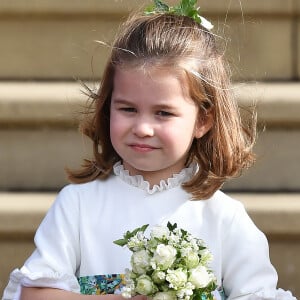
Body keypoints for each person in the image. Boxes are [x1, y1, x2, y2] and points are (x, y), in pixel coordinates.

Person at [2, 1, 297, 299]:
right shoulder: (78, 205)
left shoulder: (225, 218)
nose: (143, 127)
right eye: (128, 109)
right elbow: (37, 294)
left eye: (163, 113)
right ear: (108, 107)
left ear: (203, 120)